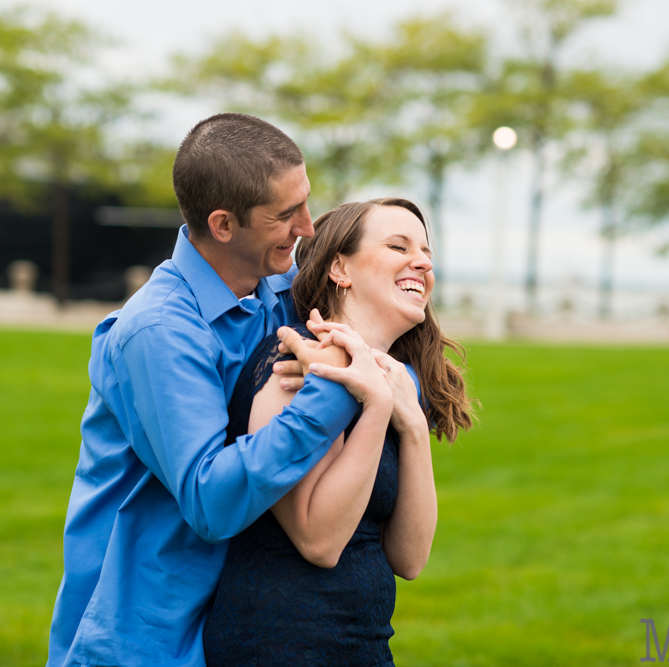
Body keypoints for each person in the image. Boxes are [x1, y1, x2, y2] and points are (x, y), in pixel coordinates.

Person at [46, 113, 367, 667]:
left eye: (306, 203)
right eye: (286, 214)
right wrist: (335, 395)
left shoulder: (280, 293)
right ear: (222, 224)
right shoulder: (159, 331)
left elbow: (376, 318)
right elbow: (210, 500)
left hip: (233, 631)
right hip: (140, 642)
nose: (308, 228)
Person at [203, 198, 475, 665]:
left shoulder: (390, 380)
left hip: (363, 646)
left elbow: (410, 559)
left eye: (426, 252)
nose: (423, 262)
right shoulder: (296, 361)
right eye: (398, 245)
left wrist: (410, 424)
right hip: (278, 646)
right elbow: (320, 541)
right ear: (339, 269)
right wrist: (376, 407)